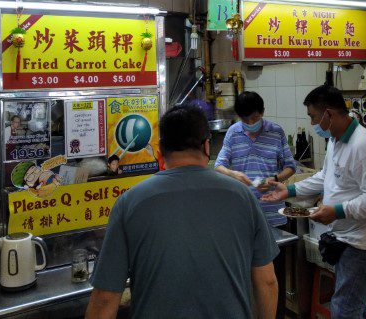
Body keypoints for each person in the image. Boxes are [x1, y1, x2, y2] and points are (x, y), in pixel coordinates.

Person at [86, 105, 279, 319]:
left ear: (160, 151)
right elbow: (267, 281)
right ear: (207, 146)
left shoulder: (130, 203)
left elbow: (105, 298)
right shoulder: (243, 197)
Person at [263, 85, 366, 319]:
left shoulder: (364, 146)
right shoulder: (335, 140)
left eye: (313, 116)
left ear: (329, 114)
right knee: (356, 307)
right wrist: (289, 190)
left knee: (344, 310)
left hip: (364, 246)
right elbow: (325, 177)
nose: (313, 123)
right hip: (345, 240)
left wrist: (337, 211)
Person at [214, 91, 296, 318]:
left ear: (262, 113)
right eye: (245, 119)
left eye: (254, 118)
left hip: (273, 215)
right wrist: (235, 174)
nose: (250, 123)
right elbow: (219, 166)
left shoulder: (276, 131)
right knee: (244, 277)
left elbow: (291, 166)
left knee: (272, 277)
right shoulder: (233, 132)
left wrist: (276, 180)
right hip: (241, 217)